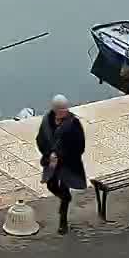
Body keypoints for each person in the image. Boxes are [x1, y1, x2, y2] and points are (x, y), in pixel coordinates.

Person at [35, 95, 87, 234]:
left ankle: (63, 221)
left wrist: (61, 156)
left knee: (64, 187)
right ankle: (66, 198)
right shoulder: (47, 121)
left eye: (65, 110)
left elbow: (80, 146)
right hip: (51, 163)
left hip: (67, 164)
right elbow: (40, 140)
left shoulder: (73, 123)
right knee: (51, 185)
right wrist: (49, 154)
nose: (64, 113)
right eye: (61, 110)